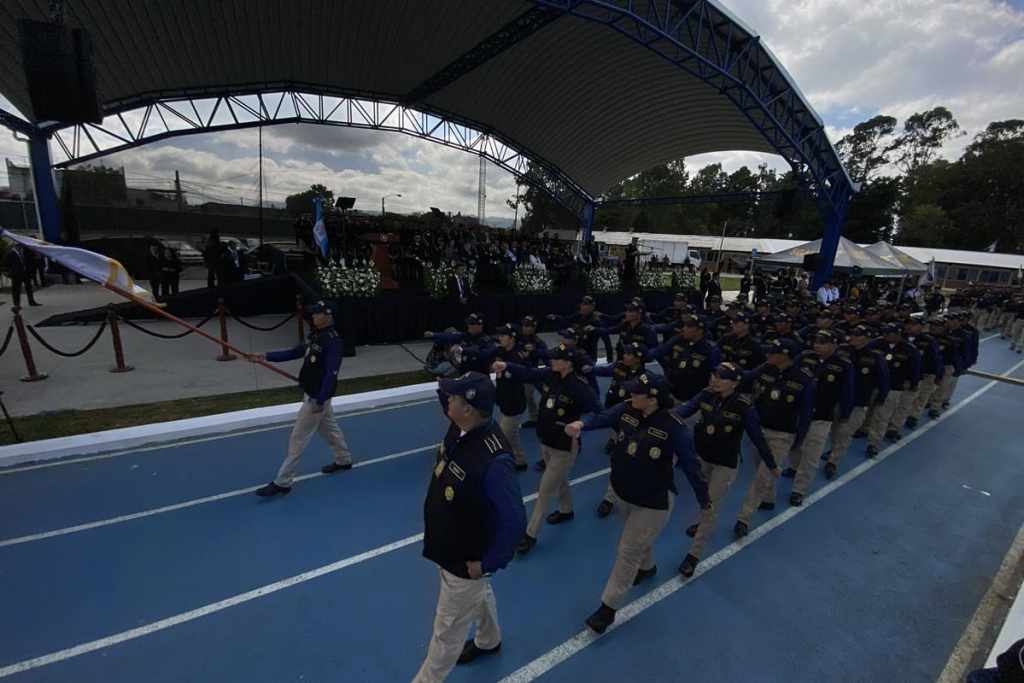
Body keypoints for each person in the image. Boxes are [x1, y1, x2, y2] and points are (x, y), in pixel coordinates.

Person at [565, 371, 710, 634]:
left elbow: (691, 465)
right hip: (624, 493)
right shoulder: (627, 409)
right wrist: (581, 424)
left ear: (653, 398)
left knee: (628, 549)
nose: (630, 395)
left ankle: (607, 608)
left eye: (636, 392)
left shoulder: (674, 427)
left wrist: (704, 500)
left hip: (652, 501)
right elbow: (602, 417)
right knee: (637, 541)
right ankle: (648, 567)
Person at [412, 372, 527, 683]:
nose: (446, 401)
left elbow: (515, 520)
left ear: (468, 409)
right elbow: (446, 399)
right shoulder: (461, 428)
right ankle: (489, 640)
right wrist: (445, 383)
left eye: (453, 398)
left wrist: (488, 564)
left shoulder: (493, 460)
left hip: (465, 560)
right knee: (480, 593)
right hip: (448, 544)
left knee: (445, 634)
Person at [491, 344, 598, 555]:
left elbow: (596, 412)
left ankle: (530, 535)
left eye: (556, 358)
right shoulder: (550, 375)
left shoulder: (579, 387)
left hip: (563, 447)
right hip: (546, 441)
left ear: (567, 363)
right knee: (559, 480)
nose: (551, 361)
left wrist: (580, 424)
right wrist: (507, 365)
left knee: (544, 490)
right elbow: (529, 372)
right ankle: (566, 510)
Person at [674, 362, 778, 578]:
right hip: (702, 459)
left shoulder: (743, 406)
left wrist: (771, 463)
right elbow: (682, 411)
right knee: (702, 501)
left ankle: (693, 555)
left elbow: (756, 436)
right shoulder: (706, 395)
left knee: (710, 506)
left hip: (724, 465)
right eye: (714, 374)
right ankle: (701, 523)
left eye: (721, 377)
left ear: (734, 382)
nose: (714, 380)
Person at [248, 301, 354, 496]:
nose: (313, 316)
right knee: (330, 429)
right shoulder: (316, 335)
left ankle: (283, 481)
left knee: (298, 438)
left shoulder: (332, 341)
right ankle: (344, 459)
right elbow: (294, 352)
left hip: (316, 397)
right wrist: (264, 356)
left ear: (327, 316)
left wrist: (320, 400)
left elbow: (331, 373)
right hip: (315, 393)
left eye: (317, 314)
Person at [734, 339, 814, 534]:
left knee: (763, 475)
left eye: (773, 352)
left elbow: (805, 413)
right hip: (758, 430)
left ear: (785, 355)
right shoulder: (766, 368)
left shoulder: (804, 379)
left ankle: (743, 518)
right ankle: (768, 499)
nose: (768, 354)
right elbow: (745, 376)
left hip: (782, 434)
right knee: (759, 468)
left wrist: (799, 439)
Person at [786, 330, 853, 504]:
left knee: (812, 454)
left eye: (823, 342)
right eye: (816, 341)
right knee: (794, 445)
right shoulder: (804, 358)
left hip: (822, 415)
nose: (817, 345)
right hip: (798, 413)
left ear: (834, 345)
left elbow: (847, 391)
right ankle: (794, 467)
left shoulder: (843, 365)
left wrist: (845, 413)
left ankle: (799, 489)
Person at [827, 324, 889, 467]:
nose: (853, 337)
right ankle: (833, 450)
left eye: (858, 335)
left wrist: (881, 397)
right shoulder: (841, 351)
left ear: (866, 338)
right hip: (838, 399)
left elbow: (883, 380)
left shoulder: (874, 358)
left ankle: (833, 461)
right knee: (835, 430)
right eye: (853, 333)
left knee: (845, 432)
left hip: (858, 401)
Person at [863, 323, 921, 450]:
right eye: (886, 333)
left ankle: (873, 442)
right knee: (867, 410)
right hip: (872, 384)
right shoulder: (875, 344)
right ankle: (864, 428)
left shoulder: (909, 349)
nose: (886, 335)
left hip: (893, 387)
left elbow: (915, 369)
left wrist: (913, 383)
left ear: (898, 334)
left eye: (890, 333)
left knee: (882, 415)